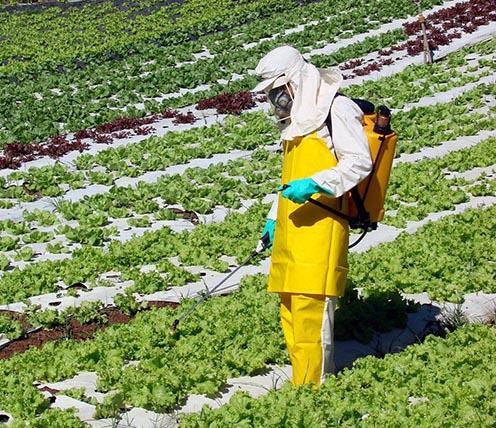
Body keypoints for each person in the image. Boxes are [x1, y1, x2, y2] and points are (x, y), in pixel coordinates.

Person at [253, 45, 372, 386]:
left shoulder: (337, 108)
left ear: (296, 80)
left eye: (279, 90)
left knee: (312, 310)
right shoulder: (297, 123)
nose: (277, 99)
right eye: (272, 93)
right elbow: (289, 180)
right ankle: (301, 383)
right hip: (293, 228)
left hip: (321, 225)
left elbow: (359, 163)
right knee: (290, 309)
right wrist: (275, 217)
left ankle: (314, 387)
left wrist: (315, 185)